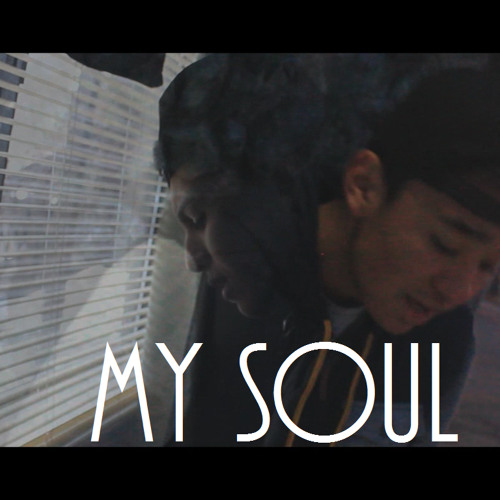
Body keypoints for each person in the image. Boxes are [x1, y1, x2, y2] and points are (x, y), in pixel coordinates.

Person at [155, 54, 500, 446]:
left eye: (489, 267)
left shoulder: (438, 340)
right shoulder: (239, 281)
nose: (458, 291)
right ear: (364, 186)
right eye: (445, 245)